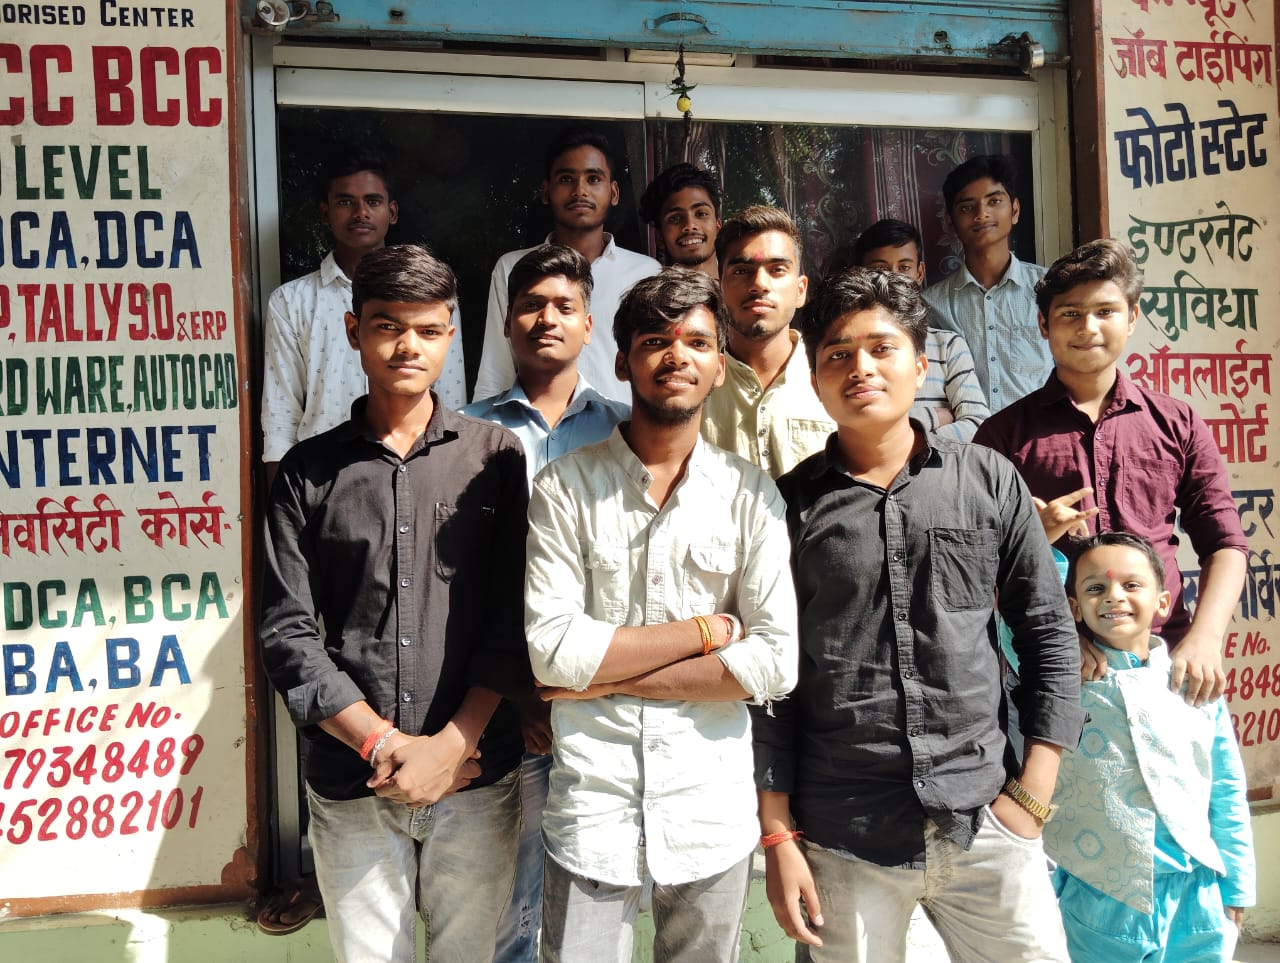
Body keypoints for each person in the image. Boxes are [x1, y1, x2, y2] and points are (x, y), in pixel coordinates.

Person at [754, 267, 1083, 963]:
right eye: (838, 354)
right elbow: (773, 678)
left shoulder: (987, 479)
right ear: (815, 379)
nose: (861, 368)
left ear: (922, 365)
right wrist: (778, 832)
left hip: (986, 816)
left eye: (882, 348)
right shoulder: (788, 506)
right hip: (845, 829)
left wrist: (1034, 792)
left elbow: (1047, 630)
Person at [260, 245, 531, 961]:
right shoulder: (308, 472)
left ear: (450, 336)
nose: (408, 345)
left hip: (474, 776)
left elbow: (513, 620)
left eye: (428, 329)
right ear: (354, 330)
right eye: (387, 325)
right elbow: (287, 632)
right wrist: (381, 743)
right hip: (353, 780)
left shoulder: (495, 458)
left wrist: (451, 745)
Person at [525, 270, 798, 962]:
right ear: (622, 362)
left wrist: (604, 676)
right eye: (655, 341)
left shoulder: (751, 495)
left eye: (698, 342)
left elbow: (774, 663)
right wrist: (705, 633)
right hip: (592, 808)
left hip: (709, 809)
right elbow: (554, 653)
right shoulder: (564, 488)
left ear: (719, 366)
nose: (677, 356)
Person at [974, 238, 1248, 707]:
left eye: (1105, 311)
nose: (1088, 328)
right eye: (1070, 314)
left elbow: (1225, 543)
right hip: (1056, 671)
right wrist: (1058, 633)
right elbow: (977, 567)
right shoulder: (1002, 436)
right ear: (1043, 324)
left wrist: (1205, 638)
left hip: (1167, 664)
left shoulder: (1177, 423)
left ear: (1132, 317)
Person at [462, 243, 628, 962]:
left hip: (606, 702)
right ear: (507, 322)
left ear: (590, 325)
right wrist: (523, 693)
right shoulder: (464, 431)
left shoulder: (627, 429)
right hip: (498, 708)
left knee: (595, 904)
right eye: (531, 305)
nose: (546, 319)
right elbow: (463, 582)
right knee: (507, 905)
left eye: (564, 306)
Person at [1049, 532, 1254, 963]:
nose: (1113, 596)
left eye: (1131, 584)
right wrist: (1044, 542)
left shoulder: (1194, 683)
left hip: (1197, 894)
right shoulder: (1065, 681)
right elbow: (1019, 625)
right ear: (1074, 608)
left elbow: (1226, 789)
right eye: (1095, 588)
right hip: (1100, 894)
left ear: (1163, 602)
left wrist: (1236, 887)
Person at [261, 152, 467, 485]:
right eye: (346, 202)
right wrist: (279, 502)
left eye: (373, 201)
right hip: (320, 479)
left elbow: (453, 401)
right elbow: (280, 417)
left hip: (418, 471)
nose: (360, 213)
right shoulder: (292, 301)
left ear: (392, 212)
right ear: (325, 213)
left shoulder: (432, 298)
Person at [473, 128, 660, 405]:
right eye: (566, 179)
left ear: (613, 192)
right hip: (534, 428)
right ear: (545, 191)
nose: (580, 190)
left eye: (593, 178)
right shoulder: (512, 267)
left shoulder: (646, 274)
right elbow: (496, 370)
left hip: (622, 428)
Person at [701, 205, 834, 478]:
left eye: (777, 270)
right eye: (742, 271)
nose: (759, 284)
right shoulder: (696, 384)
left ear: (801, 290)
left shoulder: (835, 373)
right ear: (719, 289)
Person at [834, 217, 990, 441]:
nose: (894, 277)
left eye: (904, 267)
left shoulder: (947, 347)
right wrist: (934, 417)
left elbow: (976, 424)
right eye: (880, 269)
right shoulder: (846, 350)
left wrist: (913, 448)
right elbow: (851, 427)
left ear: (920, 272)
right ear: (860, 274)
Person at [922, 154, 1051, 412]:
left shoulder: (1050, 288)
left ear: (1015, 210)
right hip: (968, 436)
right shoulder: (932, 305)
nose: (982, 214)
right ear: (950, 221)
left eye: (994, 201)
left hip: (1039, 434)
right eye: (966, 207)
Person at [638, 162, 722, 276]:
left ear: (718, 225)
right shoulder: (646, 287)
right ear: (659, 237)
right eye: (675, 218)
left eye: (701, 214)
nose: (690, 225)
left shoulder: (744, 283)